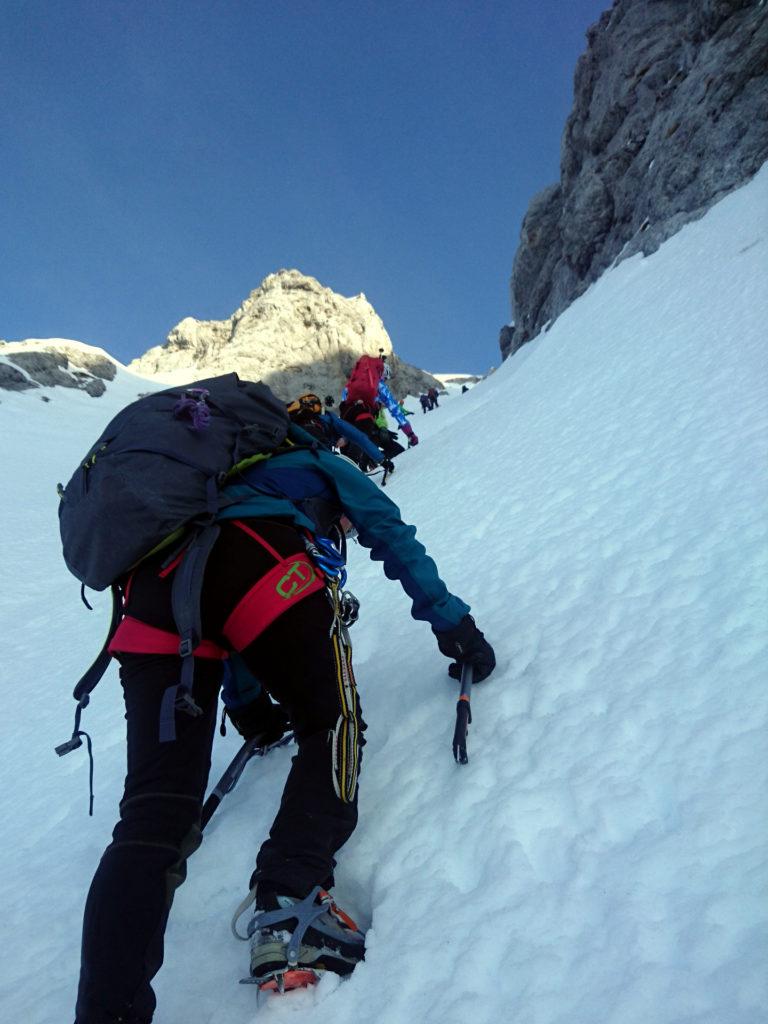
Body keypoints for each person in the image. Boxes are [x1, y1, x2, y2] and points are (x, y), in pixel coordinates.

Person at [73, 406, 496, 1023]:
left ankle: (105, 1013)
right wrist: (453, 624)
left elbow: (218, 615)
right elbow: (389, 534)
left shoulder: (186, 498)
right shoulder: (311, 462)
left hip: (148, 594)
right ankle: (292, 900)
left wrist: (253, 714)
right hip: (258, 559)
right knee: (334, 722)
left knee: (149, 818)